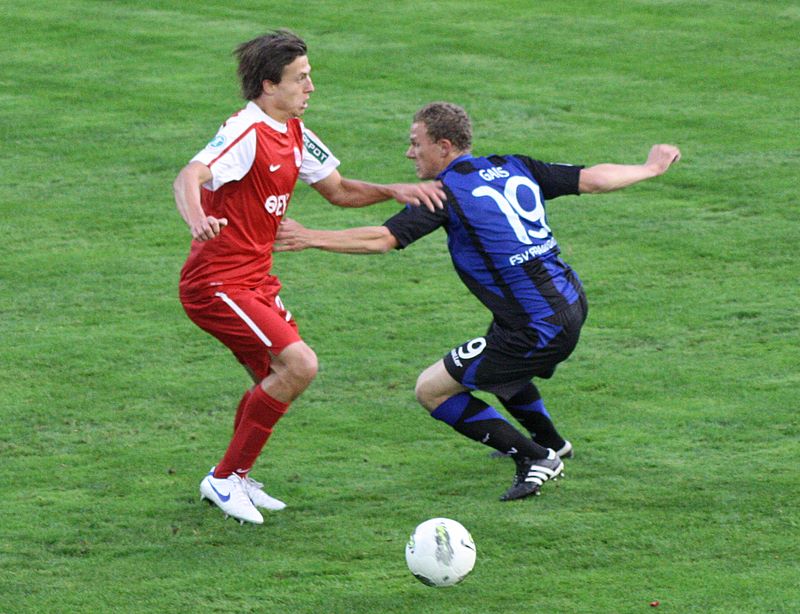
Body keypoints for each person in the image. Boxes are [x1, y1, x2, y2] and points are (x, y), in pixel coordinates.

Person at [275, 102, 681, 501]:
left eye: (416, 143)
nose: (410, 153)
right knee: (500, 364)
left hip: (536, 325)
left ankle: (535, 457)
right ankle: (553, 444)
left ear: (444, 146)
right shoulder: (513, 165)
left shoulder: (445, 192)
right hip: (569, 300)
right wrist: (650, 168)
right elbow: (592, 179)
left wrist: (310, 237)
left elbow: (383, 239)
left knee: (431, 390)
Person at [174, 31, 445, 525]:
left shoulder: (296, 133)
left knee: (276, 379)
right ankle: (225, 478)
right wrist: (197, 218)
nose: (311, 87)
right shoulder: (246, 132)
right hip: (217, 283)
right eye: (300, 78)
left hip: (255, 281)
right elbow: (189, 175)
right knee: (299, 365)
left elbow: (339, 191)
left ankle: (233, 476)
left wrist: (392, 190)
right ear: (268, 85)